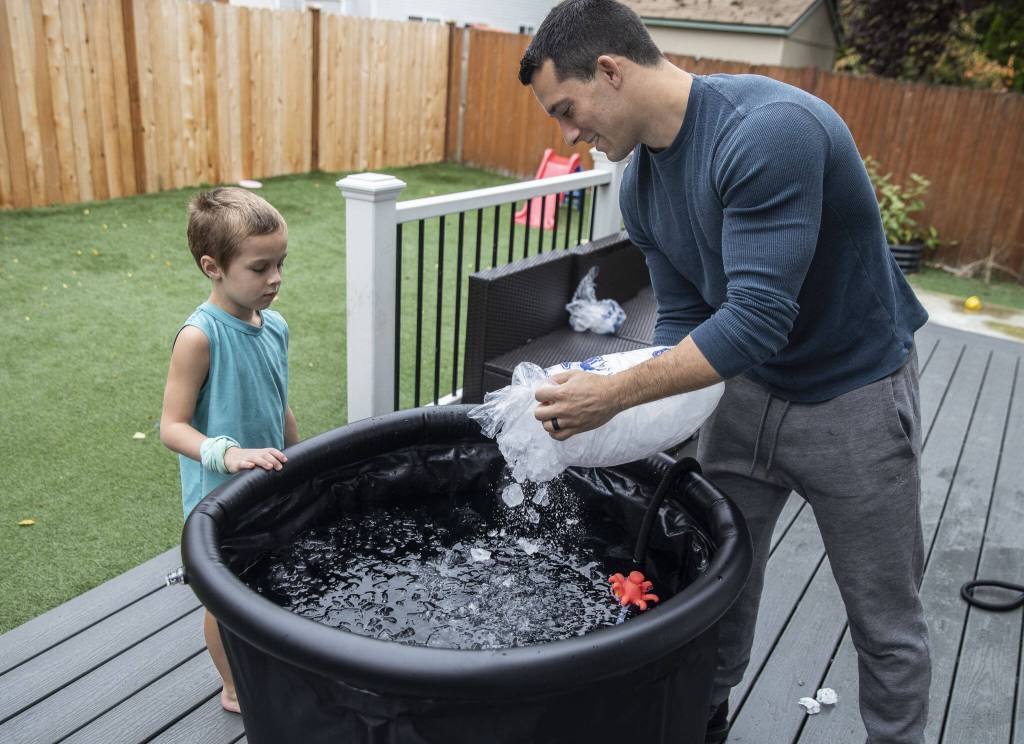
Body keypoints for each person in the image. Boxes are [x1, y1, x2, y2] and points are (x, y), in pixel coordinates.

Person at [518, 2, 931, 743]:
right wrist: (634, 421)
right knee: (718, 593)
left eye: (567, 109)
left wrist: (611, 395)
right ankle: (703, 728)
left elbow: (757, 317)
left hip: (854, 398)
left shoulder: (770, 133)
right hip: (744, 395)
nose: (568, 134)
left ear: (609, 72)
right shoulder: (639, 185)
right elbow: (680, 321)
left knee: (884, 619)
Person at [160, 187, 299, 714]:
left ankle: (264, 660)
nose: (276, 278)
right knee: (225, 598)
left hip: (264, 481)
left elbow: (278, 401)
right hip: (219, 495)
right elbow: (171, 427)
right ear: (212, 266)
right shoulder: (199, 338)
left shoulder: (276, 325)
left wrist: (300, 458)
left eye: (281, 263)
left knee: (264, 578)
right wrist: (229, 454)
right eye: (260, 267)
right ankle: (234, 685)